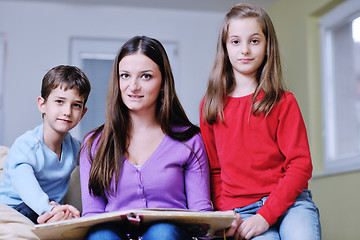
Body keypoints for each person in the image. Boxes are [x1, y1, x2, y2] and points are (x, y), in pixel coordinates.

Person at [200, 3, 321, 240]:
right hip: (241, 212)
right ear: (225, 48)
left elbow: (300, 165)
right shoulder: (210, 106)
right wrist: (226, 214)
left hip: (291, 204)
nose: (244, 49)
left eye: (254, 41)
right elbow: (214, 171)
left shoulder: (283, 102)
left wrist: (266, 215)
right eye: (235, 41)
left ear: (267, 47)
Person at [79, 36, 212, 240]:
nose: (133, 86)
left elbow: (201, 213)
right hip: (113, 236)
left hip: (171, 236)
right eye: (125, 76)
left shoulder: (190, 140)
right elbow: (93, 216)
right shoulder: (94, 144)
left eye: (145, 76)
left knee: (162, 233)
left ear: (163, 84)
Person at [0, 65, 91, 224]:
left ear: (82, 112)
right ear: (42, 105)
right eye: (59, 102)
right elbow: (26, 185)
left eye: (76, 105)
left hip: (50, 208)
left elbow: (97, 157)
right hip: (17, 207)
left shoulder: (74, 147)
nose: (67, 111)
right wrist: (49, 209)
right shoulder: (26, 146)